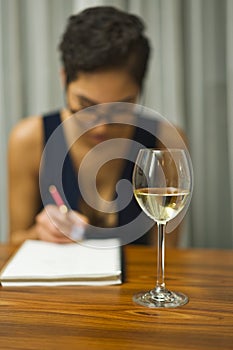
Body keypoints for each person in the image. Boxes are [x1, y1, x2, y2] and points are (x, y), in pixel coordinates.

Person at [8, 6, 183, 246]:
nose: (101, 127)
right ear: (63, 79)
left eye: (120, 108)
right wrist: (38, 233)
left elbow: (167, 254)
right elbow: (14, 242)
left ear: (140, 91)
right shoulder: (29, 139)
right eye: (86, 105)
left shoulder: (165, 142)